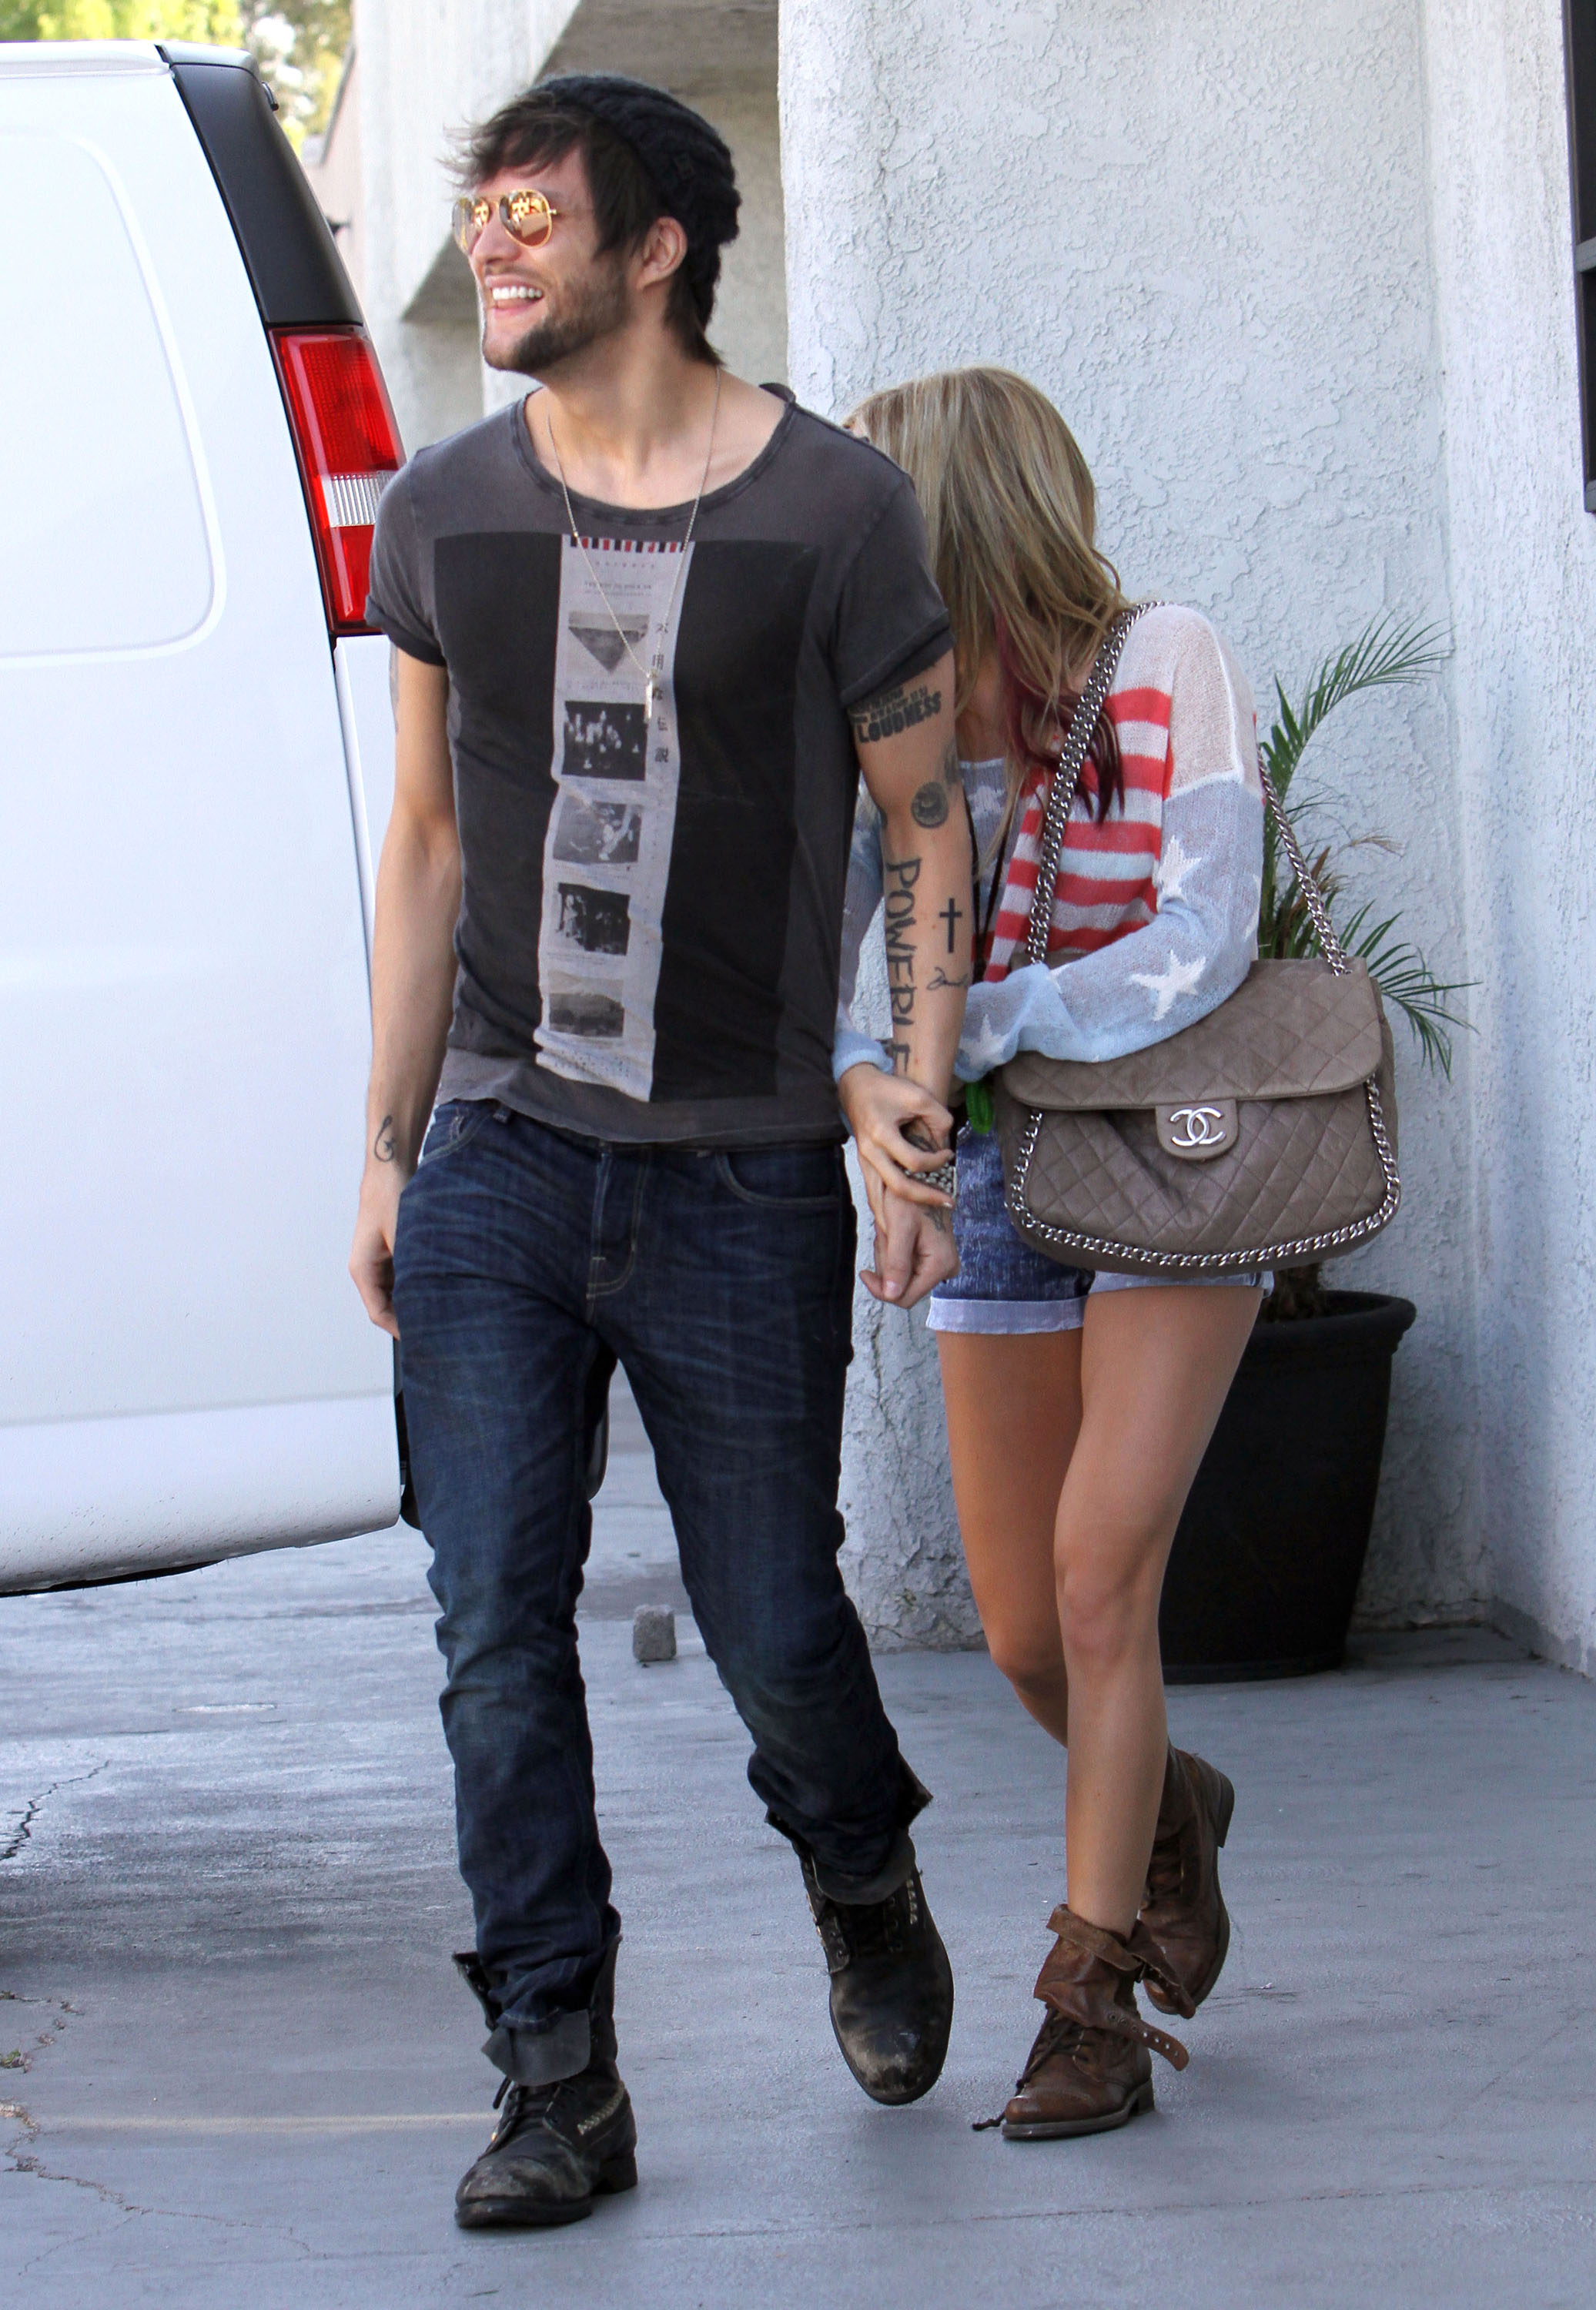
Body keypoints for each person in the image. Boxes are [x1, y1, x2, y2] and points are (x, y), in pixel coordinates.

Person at [348, 76, 974, 2230]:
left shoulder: (836, 512)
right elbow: (427, 839)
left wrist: (913, 1101)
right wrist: (385, 1148)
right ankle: (556, 2077)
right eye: (478, 213)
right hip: (501, 1156)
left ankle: (858, 1864)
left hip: (739, 1166)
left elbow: (923, 825)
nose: (491, 247)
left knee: (773, 1618)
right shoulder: (444, 516)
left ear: (656, 249)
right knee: (491, 1631)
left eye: (532, 215)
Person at [836, 367, 1266, 2139]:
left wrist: (979, 1020)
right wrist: (885, 1115)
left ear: (951, 525)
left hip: (1176, 1162)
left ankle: (1090, 2001)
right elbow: (856, 981)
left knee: (1101, 1580)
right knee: (1022, 1629)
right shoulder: (902, 734)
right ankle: (1165, 1812)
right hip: (1002, 1179)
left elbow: (1201, 937)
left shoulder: (1166, 662)